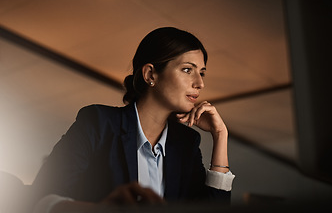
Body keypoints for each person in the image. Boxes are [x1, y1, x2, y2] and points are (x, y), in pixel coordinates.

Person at [30, 27, 235, 213]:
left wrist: (220, 136)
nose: (200, 83)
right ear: (150, 74)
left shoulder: (186, 143)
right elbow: (42, 199)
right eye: (187, 70)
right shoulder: (98, 123)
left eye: (202, 73)